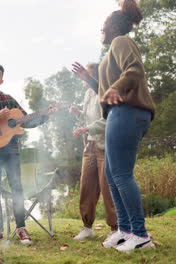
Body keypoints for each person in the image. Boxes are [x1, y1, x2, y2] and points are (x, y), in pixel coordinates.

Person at [73, 0, 156, 253]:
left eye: (104, 25)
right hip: (118, 114)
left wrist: (116, 88)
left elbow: (135, 70)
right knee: (111, 174)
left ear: (113, 26)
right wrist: (91, 79)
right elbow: (108, 84)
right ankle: (125, 230)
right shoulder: (110, 52)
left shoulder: (122, 42)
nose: (101, 28)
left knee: (121, 174)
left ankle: (140, 235)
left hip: (129, 112)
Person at [0, 63, 59, 245]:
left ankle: (21, 228)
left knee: (17, 187)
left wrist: (46, 115)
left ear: (2, 80)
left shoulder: (9, 100)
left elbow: (27, 121)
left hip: (11, 152)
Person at [70, 63, 117, 240]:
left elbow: (108, 120)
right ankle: (87, 227)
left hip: (104, 146)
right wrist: (78, 114)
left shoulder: (103, 92)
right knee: (86, 187)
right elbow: (89, 117)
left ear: (94, 76)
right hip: (89, 146)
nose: (82, 77)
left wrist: (86, 128)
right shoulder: (88, 93)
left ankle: (115, 228)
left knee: (106, 188)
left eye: (86, 74)